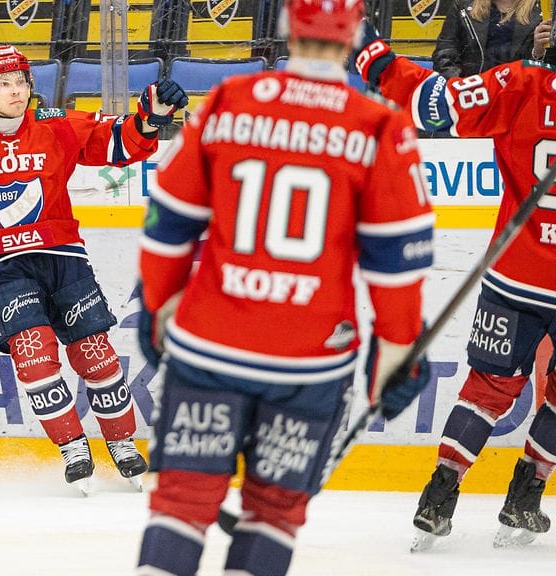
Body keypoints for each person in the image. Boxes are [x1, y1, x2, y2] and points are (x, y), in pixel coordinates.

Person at [133, 0, 436, 572]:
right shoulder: (378, 125)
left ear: (284, 28)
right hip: (310, 364)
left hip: (209, 345)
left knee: (180, 503)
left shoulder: (228, 101)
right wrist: (396, 355)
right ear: (356, 35)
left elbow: (167, 227)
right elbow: (396, 270)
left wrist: (158, 306)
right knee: (272, 514)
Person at [0, 44, 189, 492]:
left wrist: (152, 115)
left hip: (61, 253)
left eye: (22, 81)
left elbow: (118, 142)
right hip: (0, 265)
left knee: (95, 353)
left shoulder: (55, 125)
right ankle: (74, 449)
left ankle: (121, 444)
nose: (16, 91)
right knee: (35, 355)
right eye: (4, 83)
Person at [357, 17, 556, 551]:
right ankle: (525, 497)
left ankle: (438, 497)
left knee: (487, 390)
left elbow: (431, 102)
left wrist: (373, 58)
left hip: (513, 273)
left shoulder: (517, 83)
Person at [431, 0, 547, 79]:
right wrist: (464, 90)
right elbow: (444, 57)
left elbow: (548, 75)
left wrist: (537, 53)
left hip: (519, 100)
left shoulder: (544, 11)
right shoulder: (462, 6)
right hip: (472, 99)